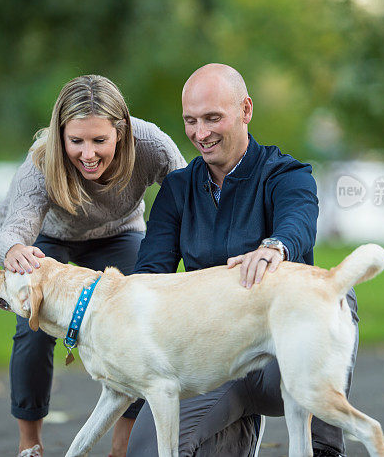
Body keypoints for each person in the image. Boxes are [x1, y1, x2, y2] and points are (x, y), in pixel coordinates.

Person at [126, 63, 358, 457]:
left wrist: (275, 246)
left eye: (213, 118)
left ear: (245, 110)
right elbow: (150, 278)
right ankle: (238, 429)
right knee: (149, 451)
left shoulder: (287, 174)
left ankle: (324, 446)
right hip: (212, 360)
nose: (201, 133)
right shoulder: (178, 190)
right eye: (191, 121)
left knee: (334, 295)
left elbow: (297, 220)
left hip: (282, 360)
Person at [0, 74, 186, 457]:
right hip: (48, 240)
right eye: (76, 140)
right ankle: (29, 444)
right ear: (60, 134)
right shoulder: (41, 161)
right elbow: (15, 225)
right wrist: (13, 248)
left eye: (100, 140)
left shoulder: (151, 145)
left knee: (135, 328)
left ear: (121, 131)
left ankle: (121, 447)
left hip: (118, 234)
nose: (88, 153)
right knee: (32, 329)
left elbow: (189, 194)